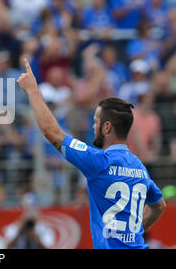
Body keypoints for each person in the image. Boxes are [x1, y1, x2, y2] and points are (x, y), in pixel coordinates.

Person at [17, 58, 166, 249]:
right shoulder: (139, 167)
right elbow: (159, 205)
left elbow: (52, 132)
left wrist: (32, 90)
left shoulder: (98, 161)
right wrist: (134, 233)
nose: (92, 125)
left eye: (96, 121)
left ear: (107, 127)